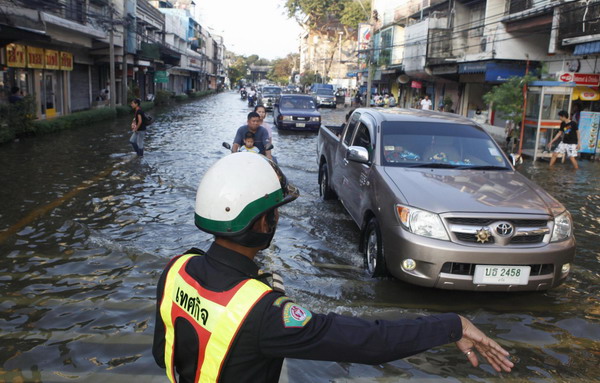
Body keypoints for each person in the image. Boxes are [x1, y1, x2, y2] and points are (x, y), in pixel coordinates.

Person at [152, 153, 514, 383]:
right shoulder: (262, 313)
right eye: (275, 212)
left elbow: (162, 353)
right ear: (262, 223)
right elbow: (370, 342)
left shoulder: (176, 269)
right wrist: (453, 325)